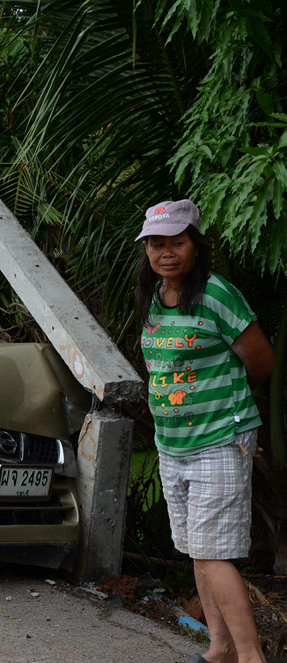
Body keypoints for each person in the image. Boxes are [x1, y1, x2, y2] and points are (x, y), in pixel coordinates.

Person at [135, 199, 275, 663]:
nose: (166, 252)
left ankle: (252, 658)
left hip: (219, 440)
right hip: (172, 444)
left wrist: (230, 414)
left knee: (214, 554)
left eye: (177, 242)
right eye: (157, 243)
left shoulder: (217, 294)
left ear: (195, 245)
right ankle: (219, 650)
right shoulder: (154, 297)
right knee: (198, 550)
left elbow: (260, 362)